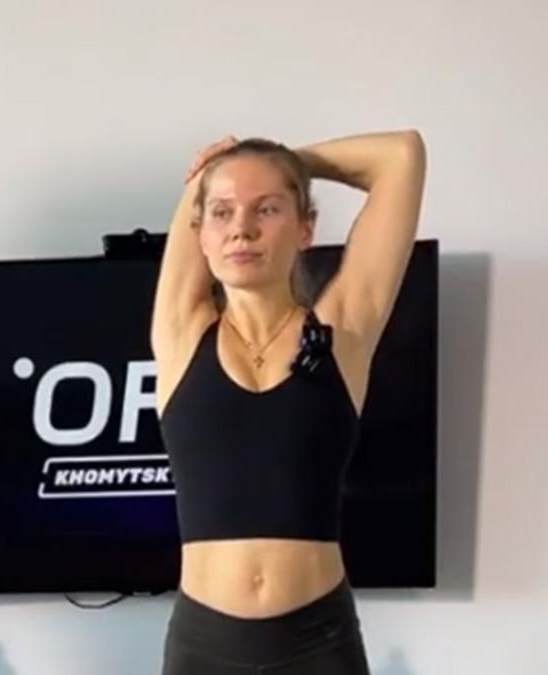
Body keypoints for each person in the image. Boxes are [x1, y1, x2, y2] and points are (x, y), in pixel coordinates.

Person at [151, 130, 427, 674]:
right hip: (203, 647)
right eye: (223, 213)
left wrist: (282, 164)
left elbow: (402, 155)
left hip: (318, 643)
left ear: (305, 228)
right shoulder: (181, 332)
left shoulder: (344, 330)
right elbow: (202, 191)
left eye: (267, 209)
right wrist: (247, 171)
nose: (242, 229)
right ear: (200, 234)